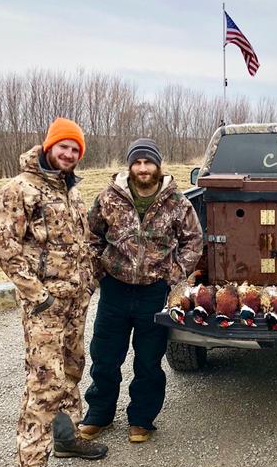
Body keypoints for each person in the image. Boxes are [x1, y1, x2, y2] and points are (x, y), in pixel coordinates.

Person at [0, 118, 108, 467]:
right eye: (64, 147)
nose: (69, 154)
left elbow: (79, 244)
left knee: (73, 369)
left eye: (75, 150)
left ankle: (66, 437)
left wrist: (89, 280)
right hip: (45, 307)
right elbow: (5, 249)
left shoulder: (71, 191)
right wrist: (38, 295)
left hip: (75, 302)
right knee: (45, 383)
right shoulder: (21, 189)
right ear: (48, 147)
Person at [79, 138, 203, 443]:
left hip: (153, 293)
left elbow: (194, 241)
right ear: (130, 165)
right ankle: (99, 415)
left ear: (158, 166)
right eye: (138, 162)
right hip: (115, 291)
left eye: (148, 162)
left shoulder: (176, 201)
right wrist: (99, 271)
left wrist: (172, 275)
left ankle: (141, 420)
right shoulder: (109, 198)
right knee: (105, 357)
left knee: (148, 361)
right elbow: (91, 236)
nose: (143, 168)